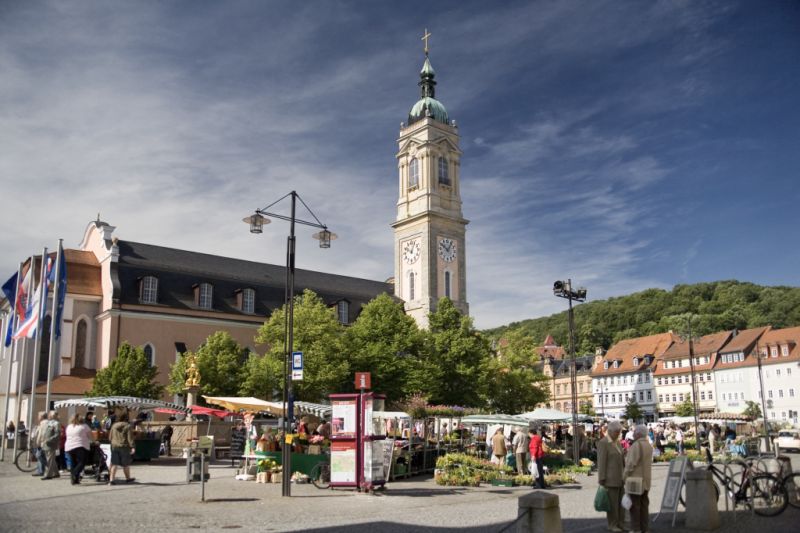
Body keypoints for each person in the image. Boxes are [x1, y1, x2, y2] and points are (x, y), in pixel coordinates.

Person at [624, 425, 654, 533]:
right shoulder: (648, 445)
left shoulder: (636, 445)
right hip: (646, 479)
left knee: (635, 506)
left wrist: (625, 475)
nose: (633, 434)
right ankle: (645, 528)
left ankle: (636, 529)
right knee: (644, 505)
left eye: (635, 432)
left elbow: (631, 463)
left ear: (638, 434)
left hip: (636, 480)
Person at [597, 420, 625, 532]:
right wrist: (601, 478)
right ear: (610, 431)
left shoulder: (617, 442)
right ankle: (612, 524)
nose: (618, 434)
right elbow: (601, 462)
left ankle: (621, 523)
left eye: (619, 432)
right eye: (617, 432)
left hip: (620, 477)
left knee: (621, 504)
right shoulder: (603, 443)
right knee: (612, 504)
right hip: (610, 478)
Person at [109, 412, 136, 485]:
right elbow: (130, 438)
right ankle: (128, 478)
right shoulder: (128, 426)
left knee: (114, 464)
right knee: (126, 464)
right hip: (124, 447)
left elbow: (110, 436)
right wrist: (132, 447)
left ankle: (111, 480)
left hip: (115, 446)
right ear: (126, 418)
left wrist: (113, 442)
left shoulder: (114, 425)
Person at [65, 413, 92, 485]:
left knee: (73, 463)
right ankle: (74, 474)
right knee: (82, 462)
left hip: (69, 447)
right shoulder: (84, 426)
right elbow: (90, 436)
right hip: (80, 446)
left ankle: (75, 480)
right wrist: (95, 441)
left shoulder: (69, 426)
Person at [40, 411, 61, 480]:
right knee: (51, 459)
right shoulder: (48, 422)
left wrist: (49, 439)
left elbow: (57, 434)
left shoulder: (56, 423)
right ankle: (56, 473)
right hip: (45, 443)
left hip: (51, 444)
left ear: (54, 416)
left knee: (49, 460)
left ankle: (48, 475)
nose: (49, 415)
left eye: (50, 414)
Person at [30, 412, 48, 476]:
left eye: (39, 416)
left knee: (39, 455)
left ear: (42, 417)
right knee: (40, 456)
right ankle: (40, 471)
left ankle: (49, 467)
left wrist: (39, 442)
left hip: (42, 442)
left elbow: (42, 434)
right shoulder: (41, 423)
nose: (38, 417)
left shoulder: (45, 423)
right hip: (39, 443)